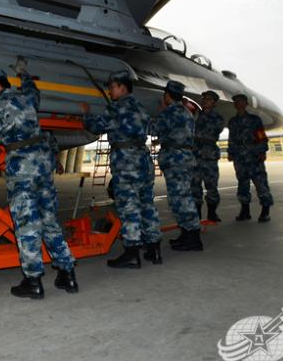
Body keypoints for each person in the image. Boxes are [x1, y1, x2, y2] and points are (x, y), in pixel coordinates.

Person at [0, 59, 78, 299]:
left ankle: (33, 281)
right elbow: (34, 90)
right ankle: (68, 274)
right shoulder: (27, 98)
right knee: (49, 220)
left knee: (27, 225)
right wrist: (23, 73)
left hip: (22, 169)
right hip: (42, 165)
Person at [80, 72, 161, 269]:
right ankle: (154, 249)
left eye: (112, 87)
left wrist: (86, 114)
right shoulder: (140, 107)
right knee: (147, 204)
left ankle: (132, 252)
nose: (110, 91)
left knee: (128, 207)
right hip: (143, 159)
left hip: (126, 162)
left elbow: (96, 126)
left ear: (122, 87)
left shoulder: (116, 108)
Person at [152, 80, 203, 251]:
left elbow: (154, 128)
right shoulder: (186, 112)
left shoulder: (170, 112)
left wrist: (157, 114)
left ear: (167, 96)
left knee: (181, 199)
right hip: (182, 159)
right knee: (179, 198)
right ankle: (187, 234)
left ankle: (194, 238)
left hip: (176, 160)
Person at [227, 93, 273, 222]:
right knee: (243, 184)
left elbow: (261, 136)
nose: (238, 103)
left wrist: (262, 151)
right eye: (236, 101)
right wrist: (231, 152)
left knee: (261, 184)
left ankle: (265, 211)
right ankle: (245, 211)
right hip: (239, 157)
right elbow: (231, 139)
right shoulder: (232, 121)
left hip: (254, 156)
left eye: (240, 101)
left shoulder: (255, 119)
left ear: (246, 103)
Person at [192, 90, 225, 222]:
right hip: (195, 156)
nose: (205, 101)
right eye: (204, 98)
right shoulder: (195, 115)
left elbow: (210, 131)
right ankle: (197, 214)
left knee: (211, 186)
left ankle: (212, 213)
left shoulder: (217, 118)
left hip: (209, 156)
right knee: (194, 186)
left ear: (214, 103)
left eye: (209, 99)